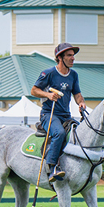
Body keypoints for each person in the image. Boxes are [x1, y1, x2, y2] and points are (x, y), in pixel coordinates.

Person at [30, 42, 87, 182]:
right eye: (69, 55)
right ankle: (52, 168)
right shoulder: (48, 73)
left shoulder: (73, 75)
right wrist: (48, 95)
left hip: (66, 116)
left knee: (81, 134)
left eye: (73, 56)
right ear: (60, 57)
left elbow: (77, 94)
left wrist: (81, 102)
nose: (73, 58)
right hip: (49, 114)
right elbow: (34, 90)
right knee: (59, 133)